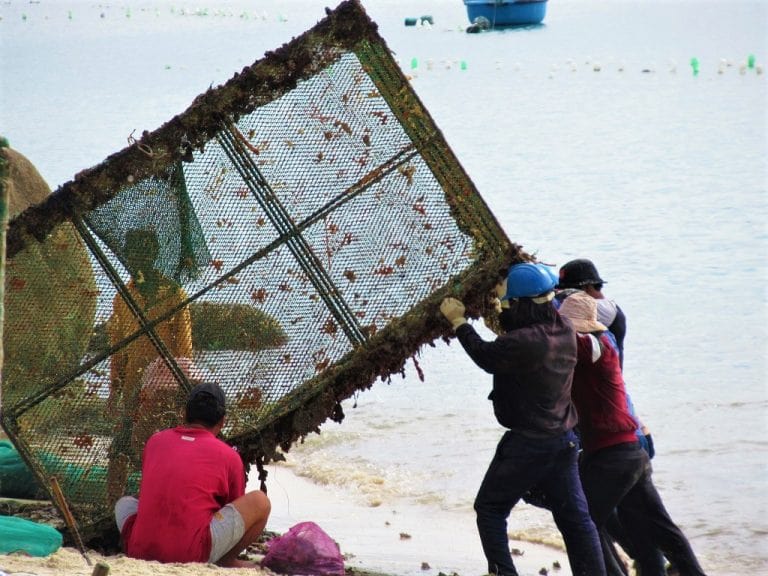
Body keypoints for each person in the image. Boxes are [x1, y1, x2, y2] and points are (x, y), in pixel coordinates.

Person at [439, 262, 606, 576]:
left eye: (508, 302)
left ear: (521, 304)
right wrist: (500, 305)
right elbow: (515, 328)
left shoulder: (523, 342)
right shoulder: (563, 327)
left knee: (490, 508)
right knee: (576, 521)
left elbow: (486, 355)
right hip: (564, 441)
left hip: (529, 444)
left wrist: (458, 321)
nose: (503, 307)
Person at [558, 292, 707, 576]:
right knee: (660, 528)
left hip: (612, 455)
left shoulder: (596, 347)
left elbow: (564, 341)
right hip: (629, 453)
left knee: (581, 522)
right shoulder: (592, 347)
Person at [115, 381, 271, 567]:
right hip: (191, 554)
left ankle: (146, 539)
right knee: (260, 502)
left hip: (138, 549)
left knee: (124, 502)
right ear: (223, 422)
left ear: (184, 414)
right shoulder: (229, 456)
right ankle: (227, 561)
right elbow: (231, 506)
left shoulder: (155, 441)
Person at [106, 228, 194, 504]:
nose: (138, 258)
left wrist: (181, 392)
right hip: (134, 388)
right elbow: (118, 349)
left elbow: (184, 351)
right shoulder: (124, 295)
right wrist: (114, 390)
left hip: (164, 389)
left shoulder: (174, 294)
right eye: (133, 253)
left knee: (160, 449)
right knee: (120, 448)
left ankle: (158, 503)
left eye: (144, 251)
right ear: (127, 256)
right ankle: (113, 507)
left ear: (154, 254)